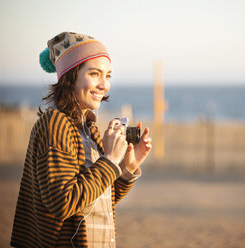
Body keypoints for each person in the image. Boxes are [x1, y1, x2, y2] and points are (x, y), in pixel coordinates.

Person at [10, 31, 152, 248]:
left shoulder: (89, 129)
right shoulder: (55, 124)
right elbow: (63, 204)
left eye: (108, 75)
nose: (104, 85)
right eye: (94, 74)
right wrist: (110, 160)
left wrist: (126, 168)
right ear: (70, 76)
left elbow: (97, 199)